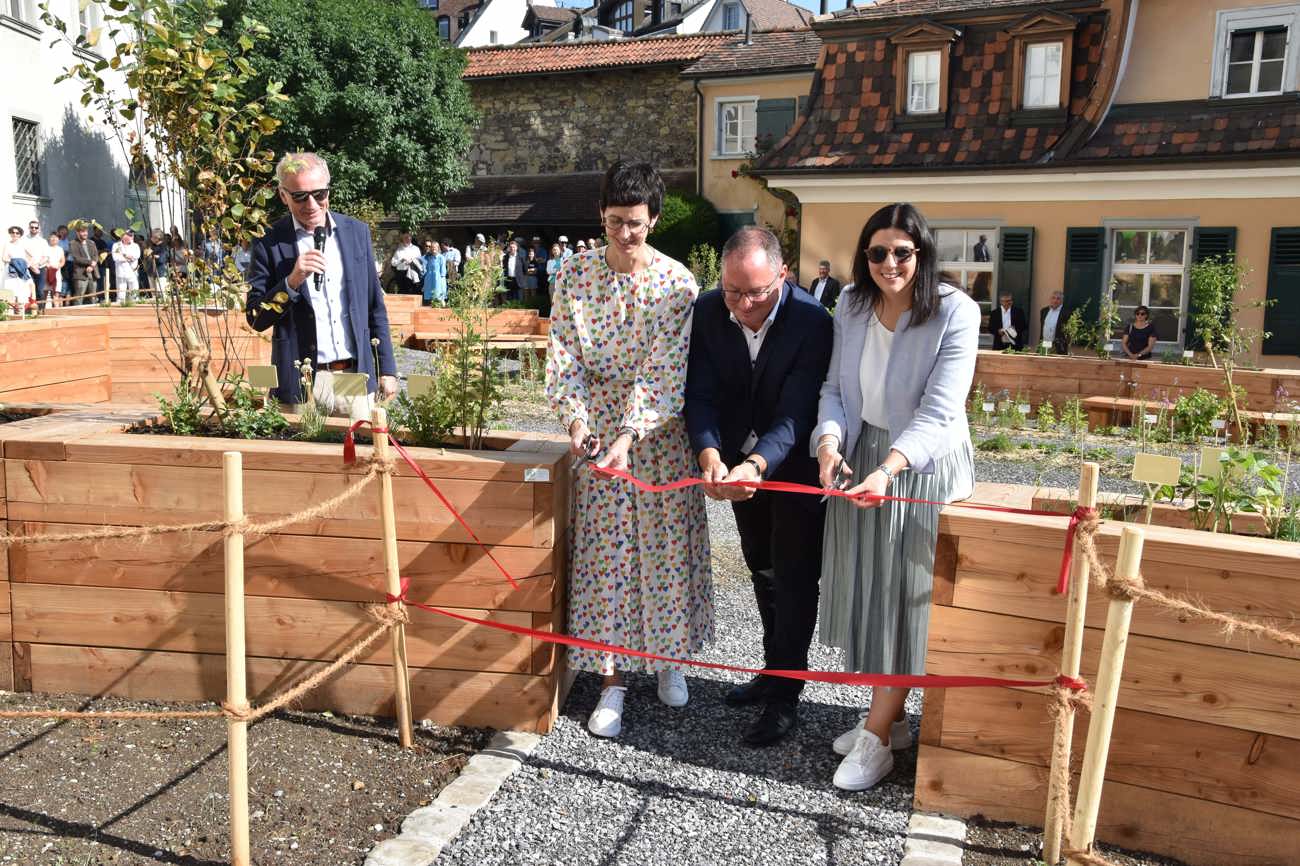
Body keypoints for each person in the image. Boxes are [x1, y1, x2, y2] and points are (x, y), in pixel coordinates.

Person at [814, 203, 978, 791]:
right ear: (865, 256)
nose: (890, 263)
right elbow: (833, 388)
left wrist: (889, 469)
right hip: (862, 454)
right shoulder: (852, 305)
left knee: (905, 599)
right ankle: (892, 718)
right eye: (878, 252)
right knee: (871, 589)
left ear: (922, 254)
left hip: (918, 463)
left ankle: (878, 736)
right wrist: (829, 442)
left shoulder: (956, 311)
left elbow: (940, 411)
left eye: (902, 252)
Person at [545, 160, 712, 739]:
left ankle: (667, 659)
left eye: (635, 223)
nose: (624, 233)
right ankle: (612, 680)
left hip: (658, 434)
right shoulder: (573, 276)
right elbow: (562, 353)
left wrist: (627, 433)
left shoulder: (677, 284)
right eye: (615, 221)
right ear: (600, 216)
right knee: (605, 556)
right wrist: (576, 421)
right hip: (596, 428)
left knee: (665, 550)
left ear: (655, 220)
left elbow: (668, 372)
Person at [684, 226, 832, 746]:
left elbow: (797, 412)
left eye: (756, 292)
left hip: (790, 466)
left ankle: (787, 695)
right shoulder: (706, 312)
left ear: (783, 276)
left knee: (794, 578)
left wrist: (756, 463)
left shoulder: (812, 321)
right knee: (760, 567)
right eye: (733, 291)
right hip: (732, 465)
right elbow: (698, 391)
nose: (744, 304)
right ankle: (772, 670)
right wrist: (707, 451)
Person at [246, 151, 398, 418]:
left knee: (358, 457)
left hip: (353, 375)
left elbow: (375, 306)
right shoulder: (269, 242)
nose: (312, 205)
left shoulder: (356, 232)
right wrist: (291, 282)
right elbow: (256, 318)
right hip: (300, 381)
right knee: (303, 460)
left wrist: (386, 369)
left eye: (319, 194)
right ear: (283, 196)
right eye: (300, 196)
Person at [3, 226, 34, 312]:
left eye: (17, 233)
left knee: (22, 290)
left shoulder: (23, 244)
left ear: (20, 235)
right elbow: (4, 258)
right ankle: (9, 312)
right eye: (13, 232)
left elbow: (32, 256)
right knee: (10, 290)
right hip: (11, 270)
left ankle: (20, 312)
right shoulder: (7, 244)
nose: (15, 234)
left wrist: (27, 265)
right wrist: (13, 262)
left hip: (22, 270)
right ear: (10, 233)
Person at [68, 222, 97, 306]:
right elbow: (76, 258)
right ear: (77, 233)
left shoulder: (91, 243)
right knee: (79, 296)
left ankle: (94, 314)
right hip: (80, 273)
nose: (85, 233)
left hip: (93, 272)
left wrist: (92, 265)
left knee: (93, 296)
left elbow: (95, 255)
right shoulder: (73, 243)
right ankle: (77, 314)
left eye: (86, 232)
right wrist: (90, 262)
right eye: (82, 232)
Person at [111, 229, 141, 304]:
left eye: (132, 236)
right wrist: (127, 257)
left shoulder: (135, 246)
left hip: (132, 272)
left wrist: (127, 257)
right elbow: (115, 257)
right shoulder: (116, 245)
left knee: (134, 293)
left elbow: (136, 256)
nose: (131, 237)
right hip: (121, 272)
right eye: (129, 235)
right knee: (121, 293)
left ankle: (135, 306)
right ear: (123, 236)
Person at [1039, 290, 1069, 354]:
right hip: (1044, 344)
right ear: (1050, 299)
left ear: (1062, 301)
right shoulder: (1044, 311)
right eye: (1053, 298)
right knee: (1043, 362)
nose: (1055, 301)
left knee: (1056, 363)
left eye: (1058, 299)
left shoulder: (1066, 313)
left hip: (1058, 346)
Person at [43, 232, 66, 308]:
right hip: (46, 272)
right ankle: (41, 310)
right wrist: (47, 265)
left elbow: (62, 261)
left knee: (56, 292)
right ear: (49, 238)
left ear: (58, 239)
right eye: (52, 237)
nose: (54, 239)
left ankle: (56, 310)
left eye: (56, 237)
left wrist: (58, 266)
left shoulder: (60, 249)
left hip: (56, 272)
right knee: (45, 292)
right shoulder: (46, 248)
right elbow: (43, 259)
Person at [422, 239, 447, 305]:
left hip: (437, 278)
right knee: (429, 296)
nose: (433, 249)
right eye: (432, 247)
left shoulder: (441, 257)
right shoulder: (429, 257)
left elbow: (443, 271)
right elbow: (427, 268)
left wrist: (442, 282)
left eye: (435, 247)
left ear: (438, 248)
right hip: (429, 278)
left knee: (438, 295)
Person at [501, 238, 526, 303]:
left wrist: (521, 277)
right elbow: (504, 268)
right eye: (511, 247)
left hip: (518, 281)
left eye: (514, 247)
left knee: (519, 299)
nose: (512, 248)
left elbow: (525, 269)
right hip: (509, 280)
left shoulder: (521, 257)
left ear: (516, 248)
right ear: (509, 248)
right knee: (509, 299)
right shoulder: (505, 257)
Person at [92, 225, 112, 302]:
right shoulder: (91, 241)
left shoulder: (103, 242)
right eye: (98, 231)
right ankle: (96, 299)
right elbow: (93, 252)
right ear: (94, 231)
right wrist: (102, 251)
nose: (100, 232)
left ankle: (103, 298)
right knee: (96, 283)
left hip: (104, 265)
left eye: (101, 231)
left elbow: (107, 251)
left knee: (104, 283)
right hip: (96, 266)